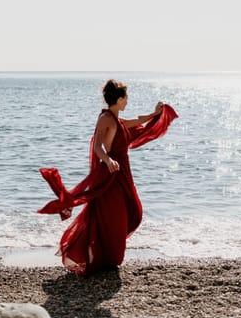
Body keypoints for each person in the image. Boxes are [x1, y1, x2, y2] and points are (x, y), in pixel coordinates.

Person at [38, 79, 178, 275]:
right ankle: (104, 259)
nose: (127, 101)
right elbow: (97, 146)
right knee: (111, 217)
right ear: (119, 99)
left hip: (122, 173)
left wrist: (155, 114)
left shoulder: (117, 119)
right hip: (111, 174)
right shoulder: (105, 118)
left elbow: (136, 121)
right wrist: (109, 160)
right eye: (126, 98)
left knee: (132, 212)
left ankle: (107, 258)